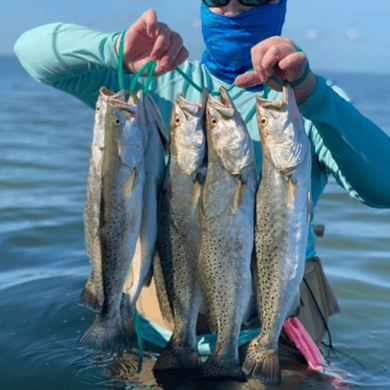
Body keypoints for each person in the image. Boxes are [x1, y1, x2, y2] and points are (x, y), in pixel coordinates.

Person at [14, 0, 390, 379]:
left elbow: (384, 187)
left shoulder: (304, 101)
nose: (232, 8)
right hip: (160, 334)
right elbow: (32, 52)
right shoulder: (155, 78)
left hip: (277, 340)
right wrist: (116, 49)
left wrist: (312, 92)